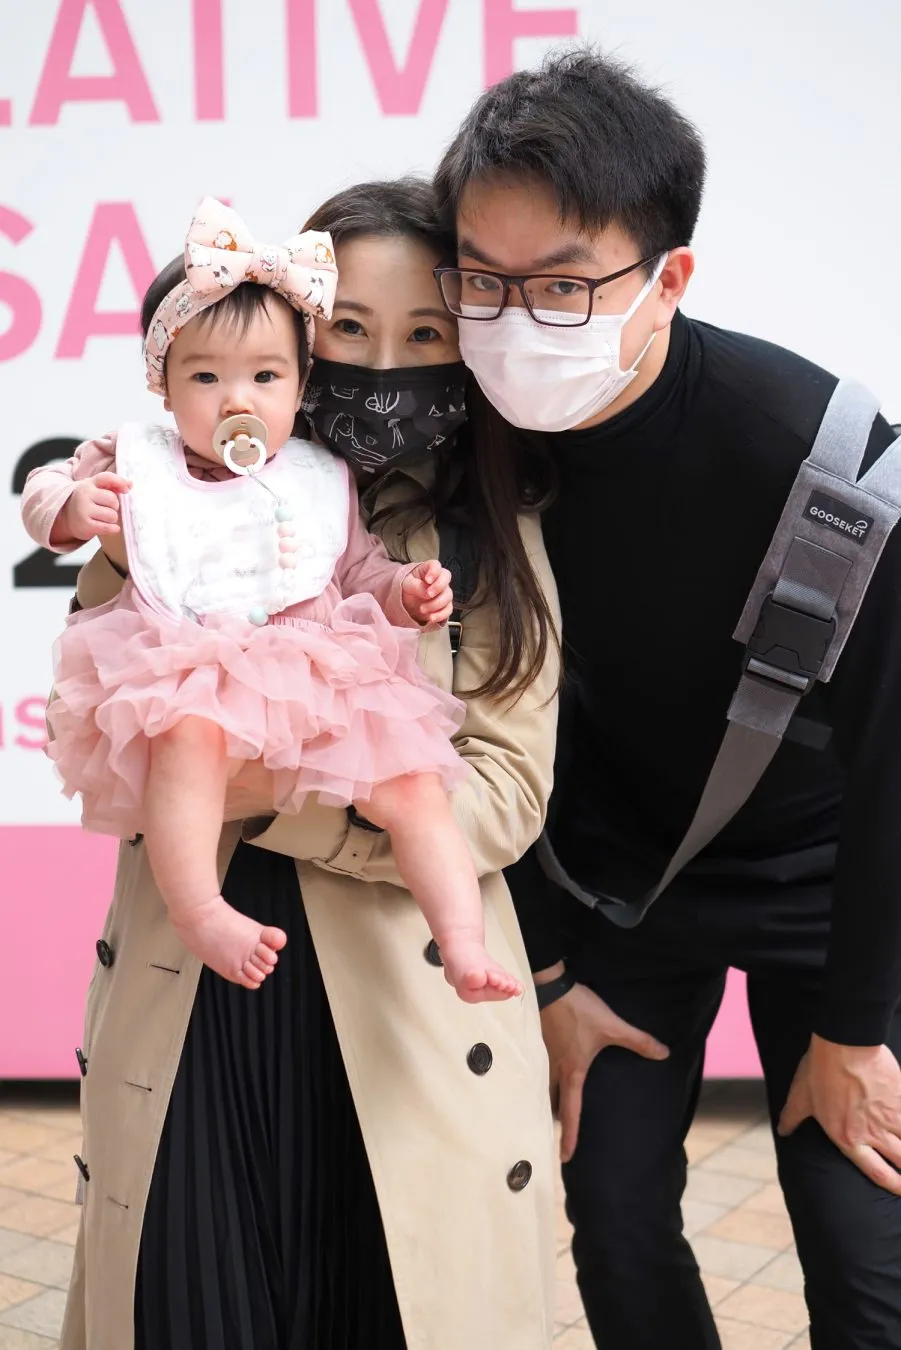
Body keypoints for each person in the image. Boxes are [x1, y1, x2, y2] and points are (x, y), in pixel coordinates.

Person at [434, 47, 901, 1350]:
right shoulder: (459, 446)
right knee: (612, 1210)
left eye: (562, 285)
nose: (512, 322)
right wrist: (544, 971)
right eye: (481, 279)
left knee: (863, 1250)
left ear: (668, 279)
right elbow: (460, 723)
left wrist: (857, 1031)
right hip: (614, 886)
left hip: (830, 893)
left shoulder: (824, 462)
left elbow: (894, 761)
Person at [56, 179, 560, 1350]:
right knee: (189, 1298)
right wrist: (107, 519)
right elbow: (103, 707)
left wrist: (280, 794)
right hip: (194, 995)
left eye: (425, 334)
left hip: (401, 1013)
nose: (384, 366)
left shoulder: (485, 530)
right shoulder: (168, 487)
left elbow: (504, 797)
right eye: (351, 330)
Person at [24, 197, 520, 1003]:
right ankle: (199, 909)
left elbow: (355, 570)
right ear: (162, 384)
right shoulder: (138, 458)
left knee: (411, 785)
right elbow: (44, 488)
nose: (237, 400)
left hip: (322, 680)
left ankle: (462, 939)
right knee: (187, 735)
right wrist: (74, 509)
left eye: (265, 376)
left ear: (300, 384)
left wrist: (404, 593)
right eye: (205, 377)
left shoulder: (318, 475)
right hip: (196, 670)